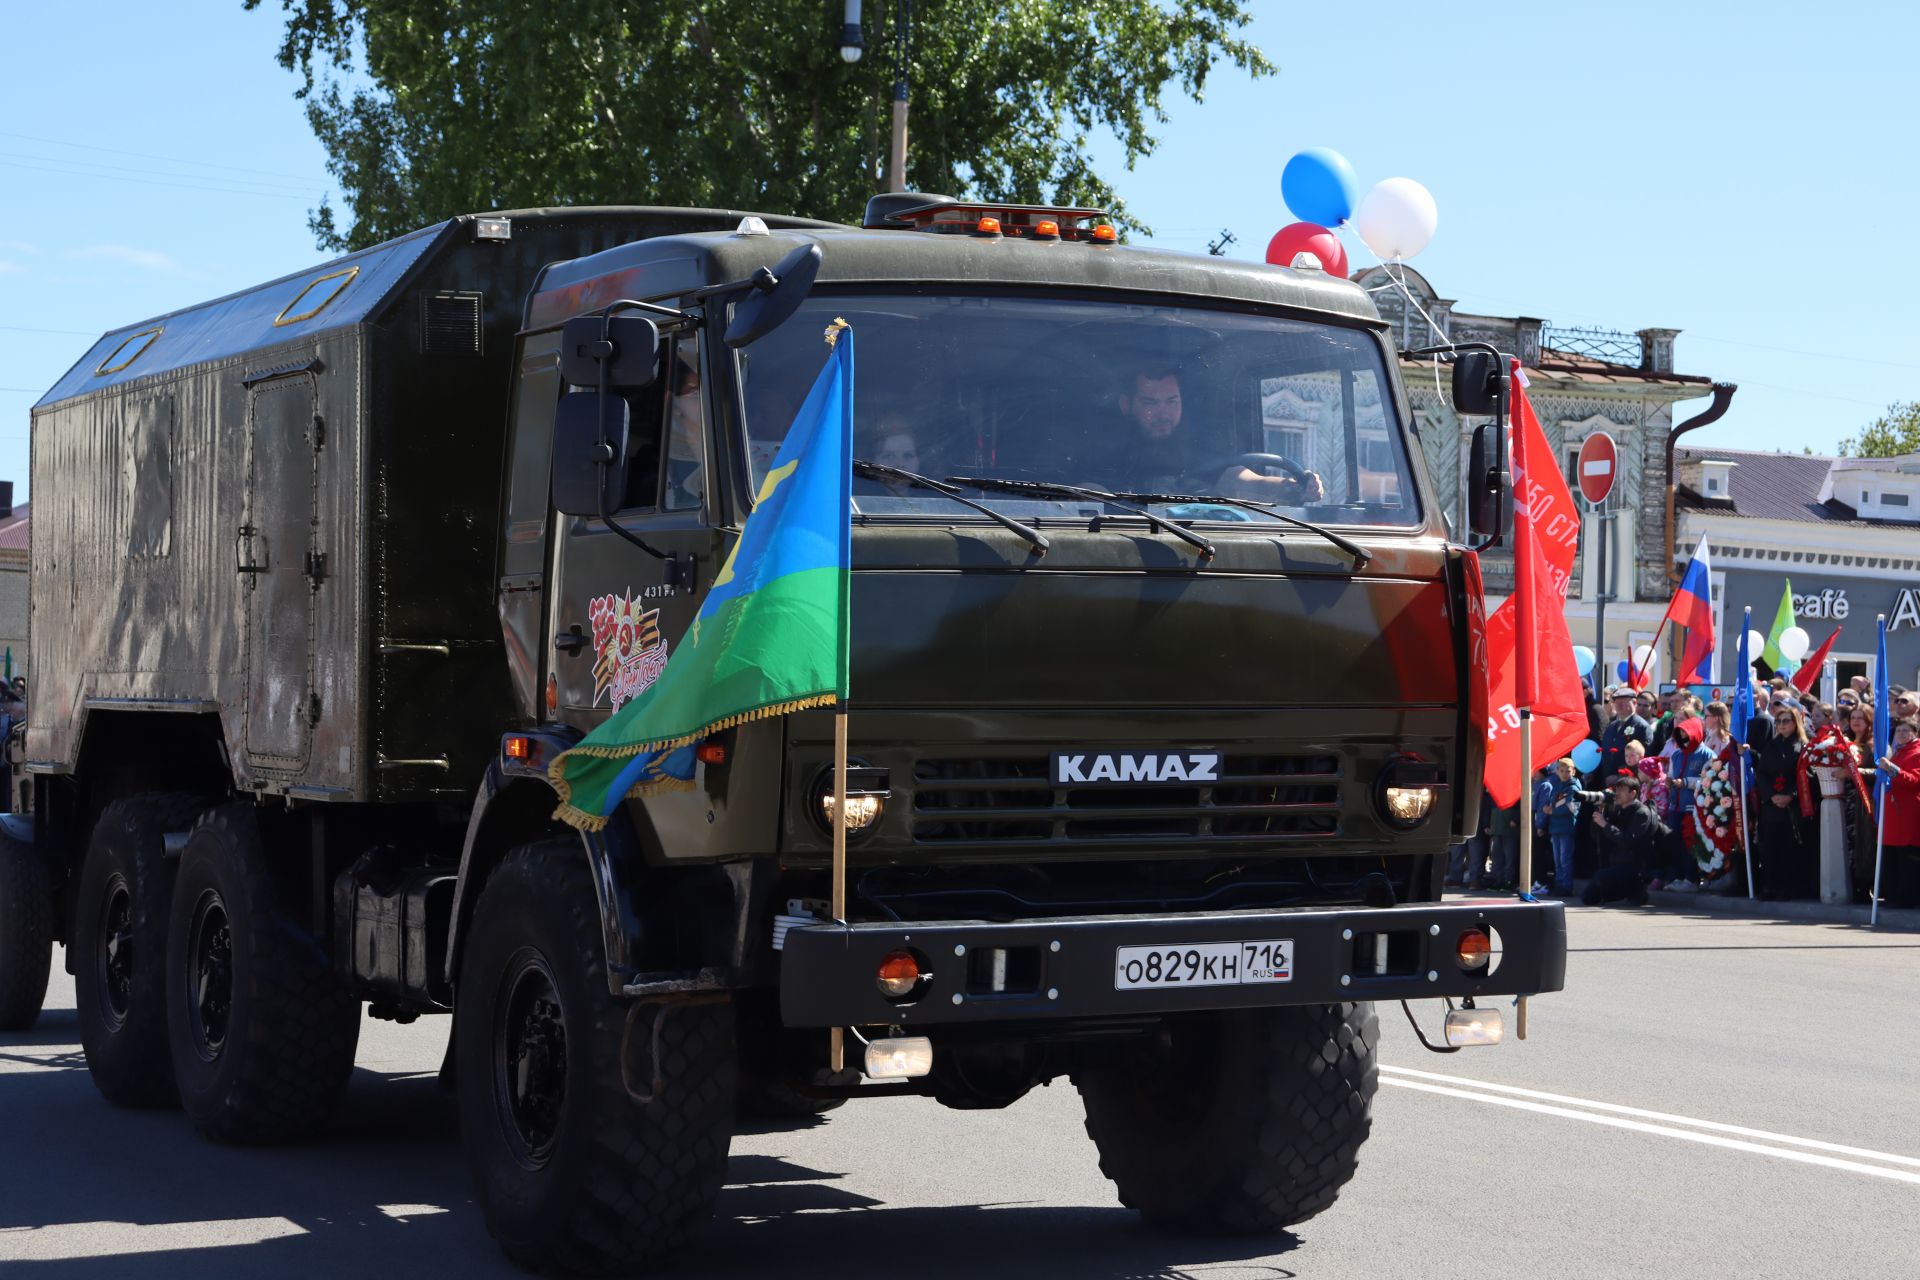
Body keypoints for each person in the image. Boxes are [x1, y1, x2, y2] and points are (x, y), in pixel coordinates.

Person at [1108, 367, 1324, 503]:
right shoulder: (1103, 453)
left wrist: (1293, 488)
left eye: (1172, 401)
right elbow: (1086, 496)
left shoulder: (1196, 448)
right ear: (1126, 404)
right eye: (1150, 403)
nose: (1164, 413)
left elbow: (1242, 481)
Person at [1752, 701, 1814, 899]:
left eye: (1786, 721)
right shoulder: (1771, 745)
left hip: (1792, 806)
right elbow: (1761, 773)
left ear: (1795, 722)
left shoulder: (1803, 746)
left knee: (1790, 848)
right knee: (1771, 847)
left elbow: (1807, 775)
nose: (1781, 724)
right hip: (1772, 805)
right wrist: (1771, 795)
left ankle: (1789, 888)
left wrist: (1790, 795)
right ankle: (1771, 886)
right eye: (1778, 721)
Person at [1583, 772, 1671, 906]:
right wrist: (1603, 812)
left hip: (1636, 865)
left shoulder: (1641, 813)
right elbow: (1597, 836)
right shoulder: (1618, 809)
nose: (1617, 794)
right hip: (1618, 862)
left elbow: (1628, 841)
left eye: (1621, 790)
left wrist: (1605, 825)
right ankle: (1630, 892)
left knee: (1601, 878)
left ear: (1633, 793)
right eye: (1616, 790)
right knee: (1588, 897)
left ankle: (1637, 890)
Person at [1875, 717, 1920, 908]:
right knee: (1893, 857)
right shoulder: (1899, 752)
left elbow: (1914, 780)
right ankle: (1893, 895)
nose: (1901, 734)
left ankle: (1907, 898)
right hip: (1894, 813)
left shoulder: (1916, 753)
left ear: (1914, 733)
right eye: (1899, 731)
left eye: (1905, 731)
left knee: (1907, 858)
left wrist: (1892, 768)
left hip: (1907, 812)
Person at [1593, 686, 1653, 784]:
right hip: (1606, 781)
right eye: (1616, 702)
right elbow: (1605, 752)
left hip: (1628, 783)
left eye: (1624, 702)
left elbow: (1645, 758)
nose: (1619, 705)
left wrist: (1620, 776)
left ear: (1634, 703)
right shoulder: (1611, 726)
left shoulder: (1642, 727)